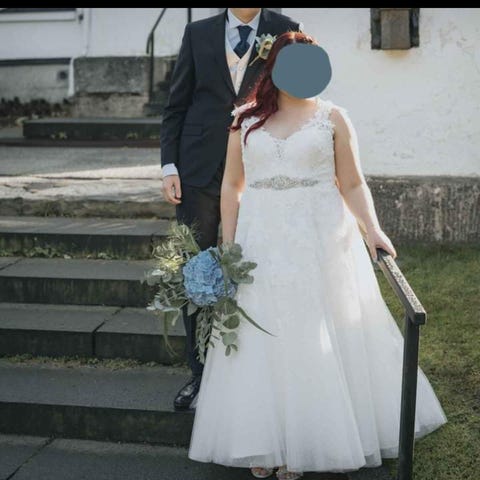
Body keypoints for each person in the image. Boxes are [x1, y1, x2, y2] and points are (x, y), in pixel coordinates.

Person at [187, 31, 448, 479]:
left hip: (319, 236)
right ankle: (265, 440)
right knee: (263, 332)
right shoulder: (244, 120)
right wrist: (228, 246)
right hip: (260, 239)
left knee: (315, 329)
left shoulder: (333, 118)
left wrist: (372, 229)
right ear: (274, 68)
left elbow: (352, 183)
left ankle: (310, 442)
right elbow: (231, 186)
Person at [160, 8, 301, 411]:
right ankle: (200, 374)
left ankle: (260, 373)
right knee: (197, 272)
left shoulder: (286, 29)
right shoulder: (197, 33)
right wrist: (169, 166)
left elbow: (296, 101)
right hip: (198, 169)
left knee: (260, 267)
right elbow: (176, 104)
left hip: (259, 169)